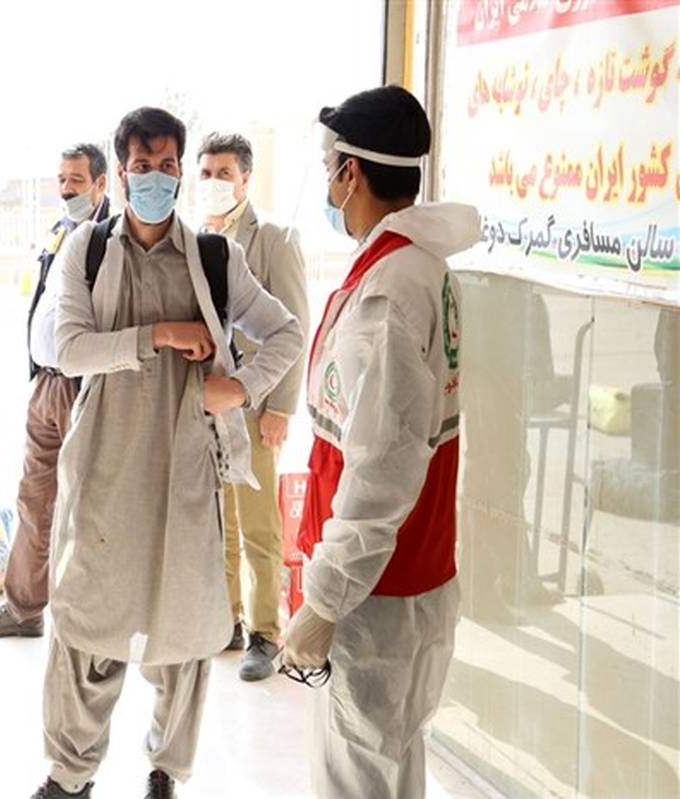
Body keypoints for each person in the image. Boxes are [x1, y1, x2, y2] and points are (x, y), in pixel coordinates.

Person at [34, 108, 304, 799]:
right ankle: (70, 776)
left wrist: (241, 388)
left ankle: (166, 772)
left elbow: (285, 332)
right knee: (85, 621)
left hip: (185, 470)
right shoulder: (88, 250)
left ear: (179, 171)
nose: (154, 178)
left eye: (165, 166)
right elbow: (65, 348)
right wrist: (157, 334)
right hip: (104, 467)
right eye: (141, 166)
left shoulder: (216, 259)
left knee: (184, 630)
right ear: (121, 174)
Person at [281, 86, 481, 799]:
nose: (328, 185)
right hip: (408, 576)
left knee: (358, 777)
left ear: (352, 173)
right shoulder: (418, 267)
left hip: (377, 595)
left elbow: (381, 468)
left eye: (329, 168)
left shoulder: (389, 293)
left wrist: (325, 599)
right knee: (390, 769)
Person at [0, 143, 110, 639]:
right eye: (62, 179)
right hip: (47, 384)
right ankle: (24, 610)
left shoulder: (112, 240)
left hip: (84, 388)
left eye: (77, 180)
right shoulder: (60, 232)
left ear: (101, 184)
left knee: (87, 506)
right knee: (34, 499)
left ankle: (90, 621)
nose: (67, 189)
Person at [196, 132, 310, 681]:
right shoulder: (199, 241)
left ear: (246, 178)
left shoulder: (274, 240)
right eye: (206, 173)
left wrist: (281, 407)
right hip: (211, 407)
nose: (214, 183)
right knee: (220, 521)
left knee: (260, 526)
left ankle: (267, 632)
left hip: (257, 404)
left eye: (224, 173)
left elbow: (295, 326)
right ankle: (228, 620)